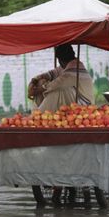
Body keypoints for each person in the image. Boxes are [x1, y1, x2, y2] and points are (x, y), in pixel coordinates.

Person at [28, 44, 95, 206]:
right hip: (69, 111)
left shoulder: (73, 71)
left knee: (57, 90)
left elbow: (54, 85)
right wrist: (36, 79)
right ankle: (42, 117)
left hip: (82, 110)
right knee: (51, 86)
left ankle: (38, 118)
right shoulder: (67, 68)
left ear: (60, 58)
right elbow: (52, 74)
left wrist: (38, 88)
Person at [28, 44, 94, 111]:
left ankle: (40, 114)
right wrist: (34, 81)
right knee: (42, 81)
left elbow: (58, 83)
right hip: (75, 101)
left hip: (85, 104)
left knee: (58, 89)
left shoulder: (75, 67)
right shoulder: (66, 66)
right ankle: (39, 113)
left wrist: (36, 90)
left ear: (60, 60)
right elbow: (48, 75)